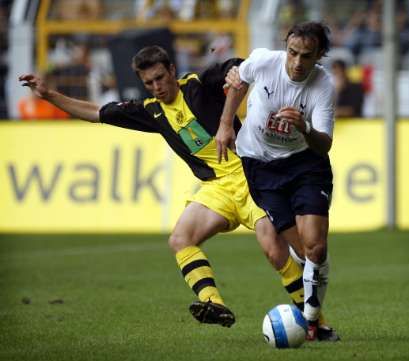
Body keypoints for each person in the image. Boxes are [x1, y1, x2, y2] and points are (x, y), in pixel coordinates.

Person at [19, 46, 308, 330]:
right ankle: (213, 303)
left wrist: (236, 74)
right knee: (180, 239)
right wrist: (49, 96)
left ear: (172, 70)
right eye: (149, 83)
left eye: (160, 78)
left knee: (274, 251)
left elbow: (240, 67)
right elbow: (95, 111)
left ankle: (314, 320)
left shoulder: (198, 86)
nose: (156, 87)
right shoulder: (151, 112)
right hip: (217, 187)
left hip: (251, 176)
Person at [216, 22, 338, 341]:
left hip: (304, 164)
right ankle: (313, 276)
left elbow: (324, 143)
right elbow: (238, 81)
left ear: (319, 56)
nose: (297, 62)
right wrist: (226, 124)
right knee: (300, 249)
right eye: (293, 53)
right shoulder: (264, 61)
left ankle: (311, 321)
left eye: (307, 56)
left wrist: (305, 128)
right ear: (286, 47)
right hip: (260, 166)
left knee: (316, 245)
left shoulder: (323, 85)